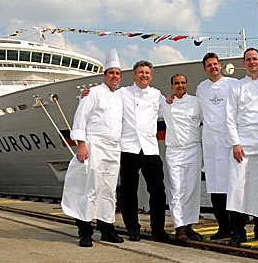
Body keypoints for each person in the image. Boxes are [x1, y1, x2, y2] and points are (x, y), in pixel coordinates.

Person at [61, 48, 124, 247]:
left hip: (114, 149)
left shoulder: (120, 97)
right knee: (89, 188)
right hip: (94, 145)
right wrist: (81, 145)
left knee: (108, 190)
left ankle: (107, 229)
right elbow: (81, 118)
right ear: (105, 75)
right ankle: (85, 231)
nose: (114, 76)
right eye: (111, 73)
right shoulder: (94, 92)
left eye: (118, 73)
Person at [225, 48, 258, 246]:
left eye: (255, 59)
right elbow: (229, 117)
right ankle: (238, 232)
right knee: (237, 186)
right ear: (244, 63)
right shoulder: (236, 87)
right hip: (243, 142)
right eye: (248, 59)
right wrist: (235, 143)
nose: (252, 62)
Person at [117, 60, 169, 242]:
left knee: (158, 190)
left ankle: (158, 229)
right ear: (134, 75)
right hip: (128, 147)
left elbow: (170, 107)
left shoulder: (156, 95)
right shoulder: (122, 93)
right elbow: (107, 102)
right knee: (128, 191)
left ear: (151, 75)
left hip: (150, 148)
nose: (144, 75)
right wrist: (86, 95)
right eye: (141, 72)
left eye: (147, 72)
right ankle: (133, 228)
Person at [196, 52, 238, 240]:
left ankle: (236, 227)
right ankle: (222, 226)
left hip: (229, 141)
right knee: (214, 185)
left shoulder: (233, 83)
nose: (213, 67)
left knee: (232, 184)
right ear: (205, 69)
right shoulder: (201, 88)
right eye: (209, 65)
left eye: (215, 64)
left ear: (219, 65)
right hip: (211, 142)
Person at [160, 73, 203, 242]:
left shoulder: (196, 102)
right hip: (175, 151)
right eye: (176, 83)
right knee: (177, 189)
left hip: (193, 149)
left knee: (192, 189)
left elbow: (206, 120)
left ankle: (189, 225)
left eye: (183, 83)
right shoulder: (165, 104)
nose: (180, 86)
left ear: (186, 84)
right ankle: (179, 227)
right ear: (172, 86)